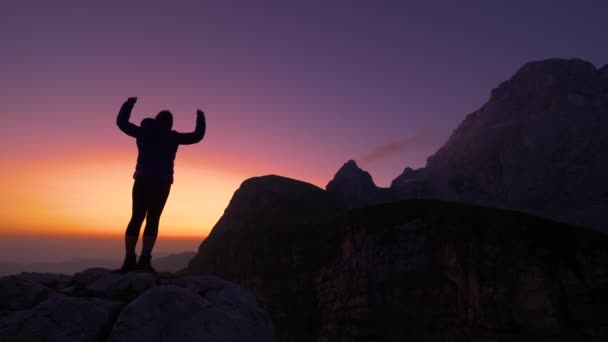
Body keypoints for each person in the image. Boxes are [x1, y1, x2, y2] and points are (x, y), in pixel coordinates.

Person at [116, 97, 206, 272]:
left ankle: (129, 259)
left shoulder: (142, 132)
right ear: (170, 124)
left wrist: (129, 103)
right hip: (162, 183)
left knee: (136, 218)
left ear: (156, 119)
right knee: (153, 219)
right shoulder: (172, 137)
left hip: (142, 180)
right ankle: (145, 260)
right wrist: (200, 117)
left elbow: (122, 123)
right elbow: (197, 136)